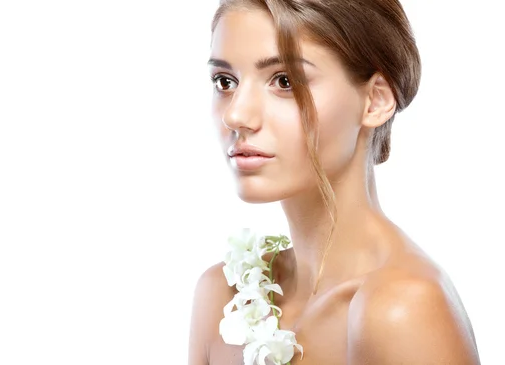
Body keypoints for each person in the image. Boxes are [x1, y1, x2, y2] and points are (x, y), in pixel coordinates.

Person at [188, 0, 481, 364]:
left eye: (285, 81)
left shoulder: (401, 310)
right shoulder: (222, 297)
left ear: (375, 100)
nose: (235, 114)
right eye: (225, 81)